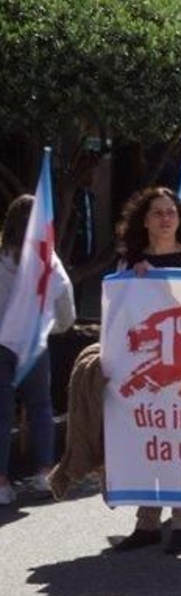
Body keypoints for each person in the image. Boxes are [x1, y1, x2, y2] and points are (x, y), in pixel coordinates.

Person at [105, 188, 181, 553]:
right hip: (142, 370)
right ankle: (147, 522)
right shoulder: (127, 266)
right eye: (157, 213)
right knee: (146, 442)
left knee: (180, 444)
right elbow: (117, 318)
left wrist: (156, 283)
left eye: (171, 213)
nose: (166, 219)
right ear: (144, 221)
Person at [0, 196, 75, 508]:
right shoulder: (48, 261)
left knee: (1, 411)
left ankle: (1, 482)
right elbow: (65, 306)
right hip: (34, 342)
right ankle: (44, 470)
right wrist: (54, 327)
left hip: (1, 343)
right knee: (40, 406)